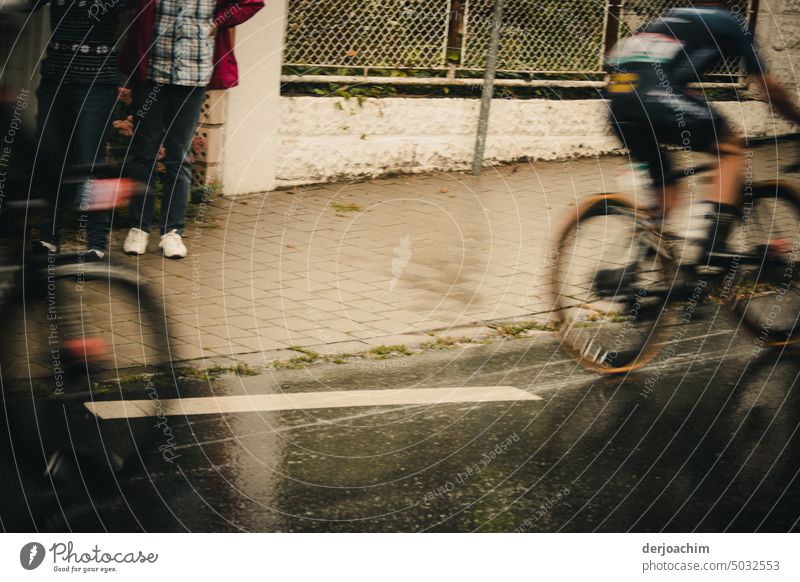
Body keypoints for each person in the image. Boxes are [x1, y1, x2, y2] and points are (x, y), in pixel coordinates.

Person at [605, 0, 800, 278]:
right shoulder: (728, 22)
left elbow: (624, 67)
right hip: (659, 99)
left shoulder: (666, 20)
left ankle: (640, 268)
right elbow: (770, 89)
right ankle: (712, 246)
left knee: (666, 187)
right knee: (732, 149)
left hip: (618, 106)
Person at [119, 0, 263, 259]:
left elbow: (252, 2)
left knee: (179, 156)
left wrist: (218, 21)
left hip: (193, 75)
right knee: (144, 153)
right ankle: (138, 228)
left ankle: (172, 232)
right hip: (151, 71)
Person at [32, 0, 125, 261]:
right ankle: (48, 237)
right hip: (55, 78)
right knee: (51, 159)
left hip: (96, 82)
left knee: (91, 162)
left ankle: (96, 242)